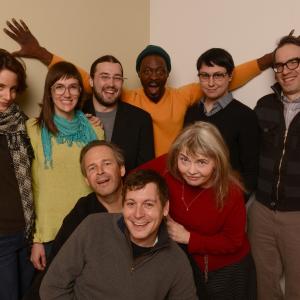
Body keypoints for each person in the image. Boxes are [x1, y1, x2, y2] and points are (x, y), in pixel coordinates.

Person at [3, 18, 273, 156]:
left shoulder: (184, 95)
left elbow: (226, 78)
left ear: (167, 73)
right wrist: (41, 53)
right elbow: (86, 78)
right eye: (146, 70)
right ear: (138, 75)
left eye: (159, 70)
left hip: (175, 174)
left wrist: (270, 60)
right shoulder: (126, 96)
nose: (153, 76)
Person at [138, 122, 255, 299]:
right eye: (184, 159)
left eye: (201, 162)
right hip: (187, 265)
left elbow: (233, 242)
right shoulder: (167, 166)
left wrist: (189, 238)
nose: (191, 170)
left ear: (217, 161)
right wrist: (156, 211)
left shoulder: (231, 192)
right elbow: (136, 179)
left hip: (227, 271)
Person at [40, 169, 198, 300]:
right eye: (131, 204)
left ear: (165, 208)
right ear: (123, 206)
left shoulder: (176, 261)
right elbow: (53, 287)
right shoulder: (93, 227)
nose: (138, 214)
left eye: (148, 204)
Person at [23, 140, 126, 300]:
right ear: (86, 180)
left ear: (121, 169)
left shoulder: (141, 205)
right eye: (92, 168)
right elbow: (56, 265)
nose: (100, 171)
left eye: (106, 163)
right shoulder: (82, 213)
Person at [27, 61, 104, 273]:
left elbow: (102, 182)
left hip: (89, 226)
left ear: (80, 92)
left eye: (73, 86)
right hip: (51, 230)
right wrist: (37, 239)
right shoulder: (33, 129)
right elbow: (33, 185)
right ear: (49, 92)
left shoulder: (95, 131)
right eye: (59, 87)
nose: (67, 93)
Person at [248, 34, 300, 299]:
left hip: (297, 215)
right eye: (279, 65)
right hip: (262, 211)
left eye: (294, 62)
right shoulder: (264, 106)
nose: (285, 71)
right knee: (264, 286)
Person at [184, 48, 259, 199]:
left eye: (218, 75)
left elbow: (251, 172)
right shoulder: (191, 112)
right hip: (192, 197)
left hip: (226, 199)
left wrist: (235, 204)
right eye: (205, 76)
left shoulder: (245, 116)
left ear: (230, 76)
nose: (211, 83)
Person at [0, 49, 34, 300]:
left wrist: (86, 122)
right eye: (0, 87)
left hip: (25, 232)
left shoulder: (24, 124)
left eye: (12, 89)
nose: (8, 96)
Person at [83, 55, 154, 171]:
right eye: (104, 77)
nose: (111, 84)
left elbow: (145, 172)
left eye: (117, 78)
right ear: (91, 81)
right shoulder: (77, 115)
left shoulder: (141, 119)